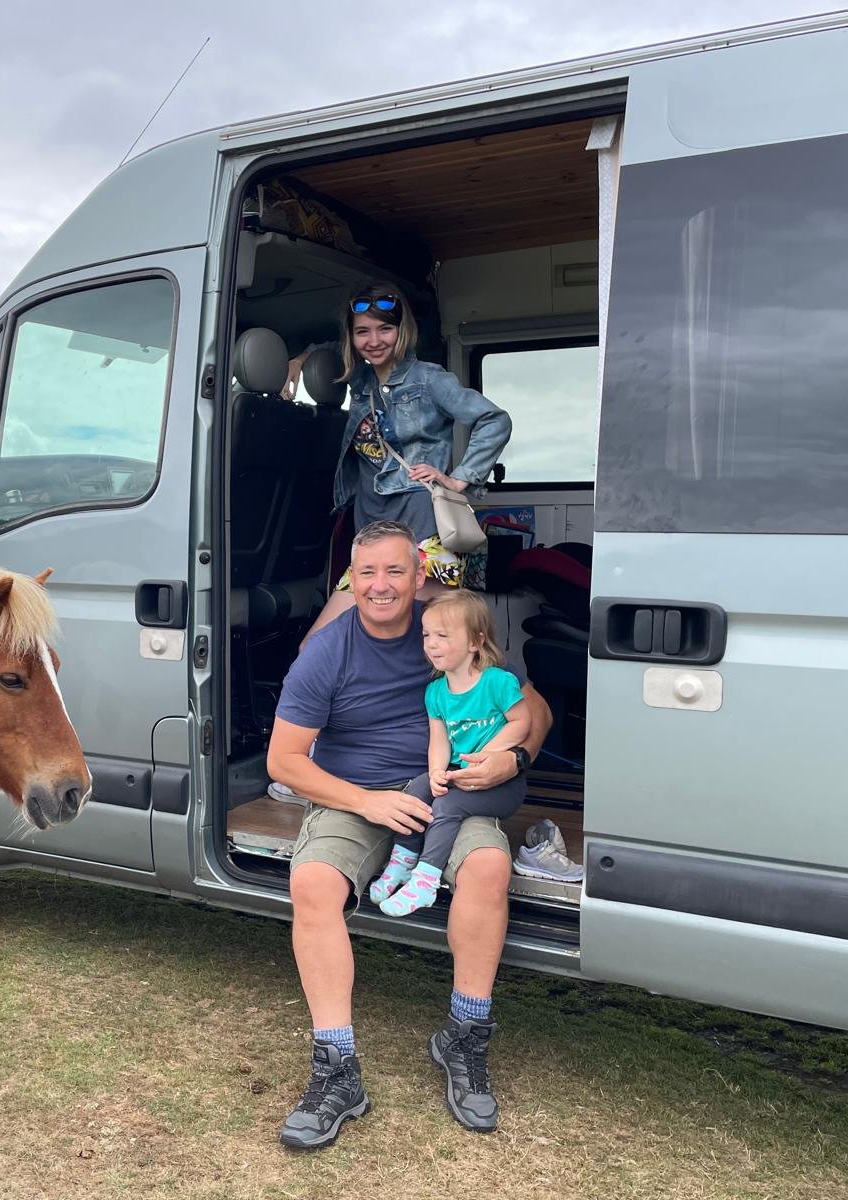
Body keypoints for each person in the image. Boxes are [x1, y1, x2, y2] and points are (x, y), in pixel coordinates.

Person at [267, 521, 552, 1149]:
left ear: (418, 576)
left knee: (487, 869)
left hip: (454, 791)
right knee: (313, 884)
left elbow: (535, 712)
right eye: (366, 573)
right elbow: (284, 762)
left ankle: (464, 1037)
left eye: (395, 571)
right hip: (356, 797)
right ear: (350, 578)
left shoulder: (450, 629)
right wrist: (369, 801)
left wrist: (514, 758)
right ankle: (337, 1070)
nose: (380, 586)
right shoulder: (327, 651)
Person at [288, 283, 511, 646]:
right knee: (315, 646)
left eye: (385, 329)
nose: (374, 340)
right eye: (363, 331)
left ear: (402, 330)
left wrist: (459, 479)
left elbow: (494, 420)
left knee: (433, 647)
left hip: (421, 530)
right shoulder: (360, 379)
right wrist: (300, 360)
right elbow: (331, 347)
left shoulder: (429, 378)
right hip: (372, 530)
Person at [369, 590, 530, 917]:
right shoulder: (436, 692)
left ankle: (425, 880)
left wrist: (488, 755)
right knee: (417, 790)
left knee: (447, 805)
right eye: (427, 635)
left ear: (475, 641)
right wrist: (437, 771)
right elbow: (439, 741)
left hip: (501, 784)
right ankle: (403, 859)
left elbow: (522, 722)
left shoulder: (497, 682)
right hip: (458, 772)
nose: (431, 643)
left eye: (442, 636)